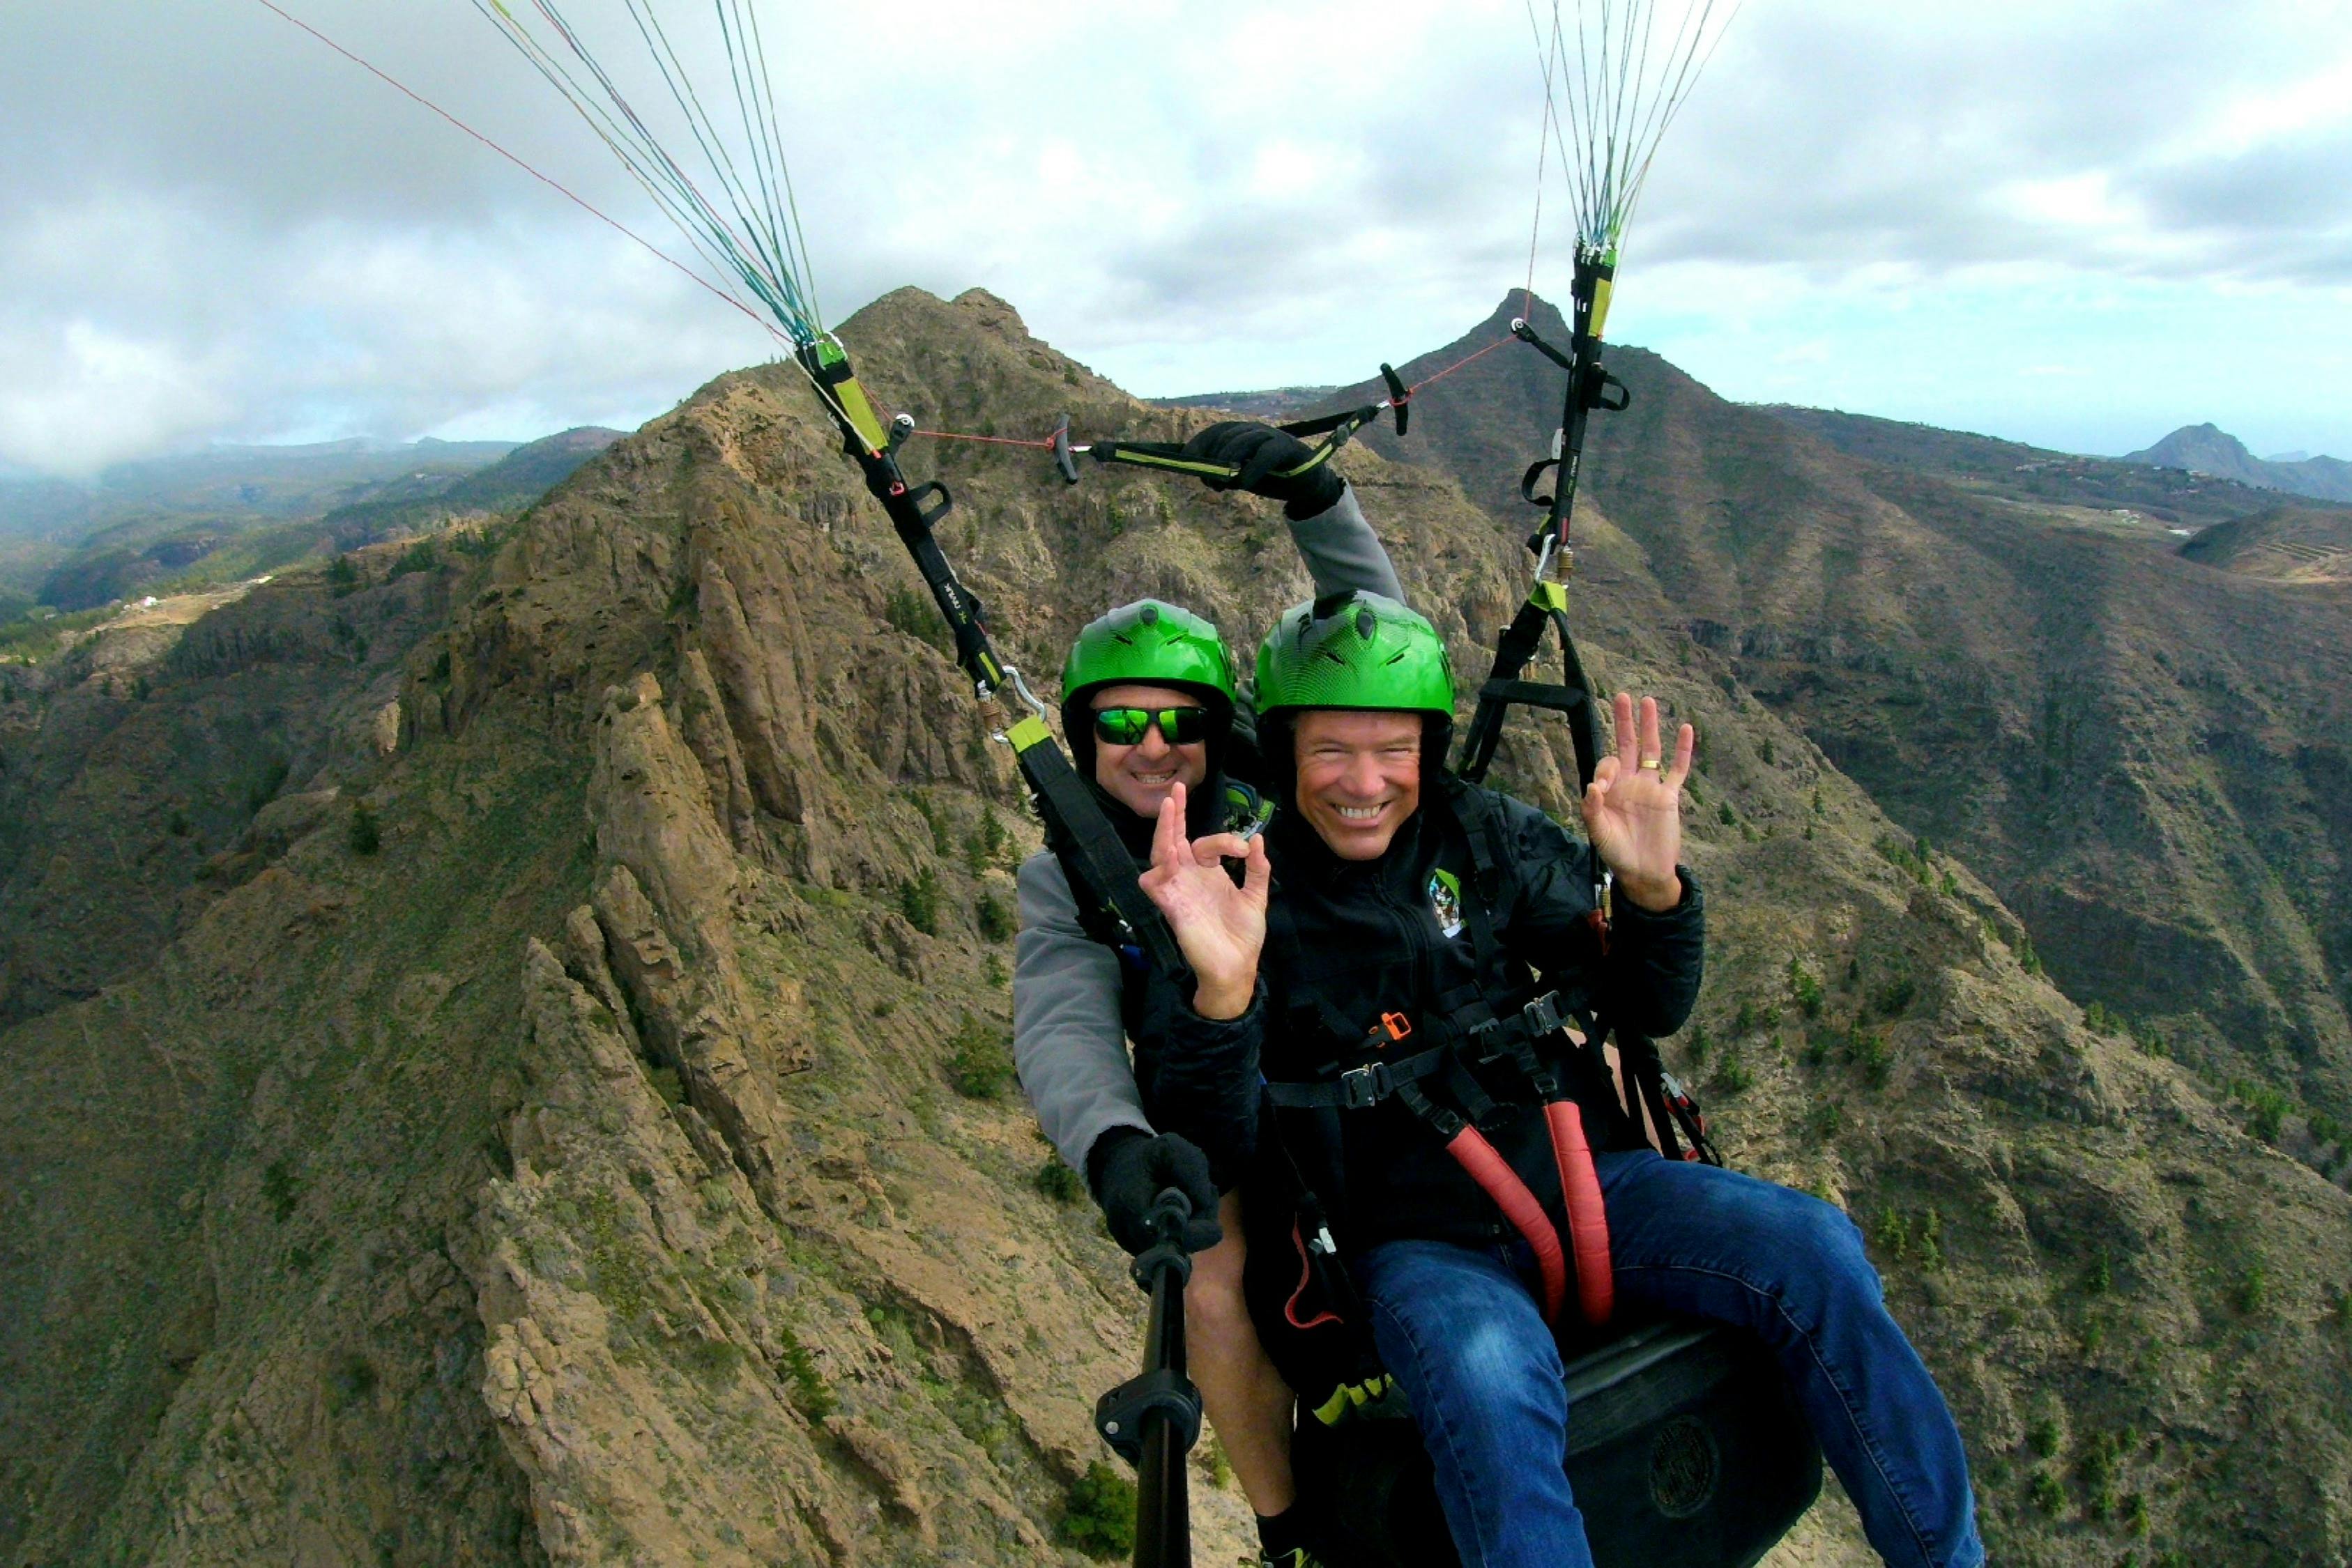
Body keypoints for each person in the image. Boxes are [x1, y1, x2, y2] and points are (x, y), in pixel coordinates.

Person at [1132, 590, 1985, 1568]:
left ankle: (1946, 1556)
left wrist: (1652, 892)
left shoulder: (1481, 837)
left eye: (1392, 749)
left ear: (1427, 747)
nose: (1362, 781)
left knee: (1812, 1246)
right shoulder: (1239, 896)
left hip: (1587, 1187)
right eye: (1330, 749)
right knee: (1488, 1383)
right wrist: (1224, 992)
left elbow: (1647, 1002)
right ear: (1283, 752)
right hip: (1419, 1244)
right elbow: (1210, 1145)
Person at [1013, 423, 1399, 1567]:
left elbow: (1377, 647)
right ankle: (1288, 1525)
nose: (1151, 747)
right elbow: (1063, 1023)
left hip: (1355, 1057)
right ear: (1083, 739)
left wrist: (1319, 500)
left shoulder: (1280, 795)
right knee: (1213, 1287)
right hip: (1217, 1095)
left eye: (1178, 720)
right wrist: (1117, 1147)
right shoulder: (1070, 872)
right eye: (1120, 723)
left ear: (1218, 730)